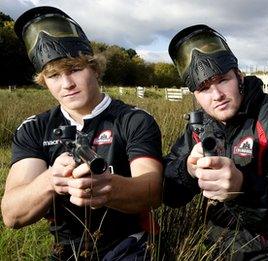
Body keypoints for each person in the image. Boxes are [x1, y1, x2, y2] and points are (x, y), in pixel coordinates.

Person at [1, 6, 163, 260]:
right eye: (54, 75)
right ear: (44, 81)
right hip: (65, 251)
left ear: (95, 68)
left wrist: (107, 187)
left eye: (75, 69)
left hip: (129, 245)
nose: (66, 84)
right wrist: (50, 179)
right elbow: (12, 215)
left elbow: (152, 191)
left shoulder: (134, 120)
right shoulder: (33, 128)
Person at [163, 24, 268, 260]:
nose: (216, 95)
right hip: (217, 250)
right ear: (194, 94)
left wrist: (243, 186)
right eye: (204, 88)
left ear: (239, 75)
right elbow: (168, 196)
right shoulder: (199, 126)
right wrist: (187, 170)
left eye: (222, 80)